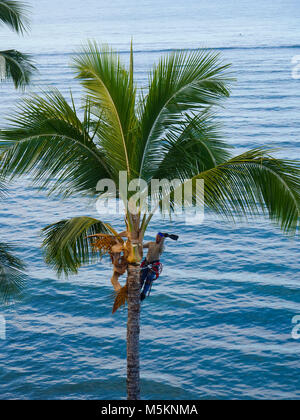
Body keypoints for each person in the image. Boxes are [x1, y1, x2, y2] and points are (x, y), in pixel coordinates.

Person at [140, 232, 166, 301]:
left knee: (148, 280)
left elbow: (161, 249)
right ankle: (136, 292)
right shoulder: (151, 243)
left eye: (159, 238)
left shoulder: (161, 247)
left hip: (154, 266)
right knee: (141, 278)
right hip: (146, 263)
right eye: (157, 237)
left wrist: (163, 239)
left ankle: (143, 294)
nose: (157, 238)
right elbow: (142, 246)